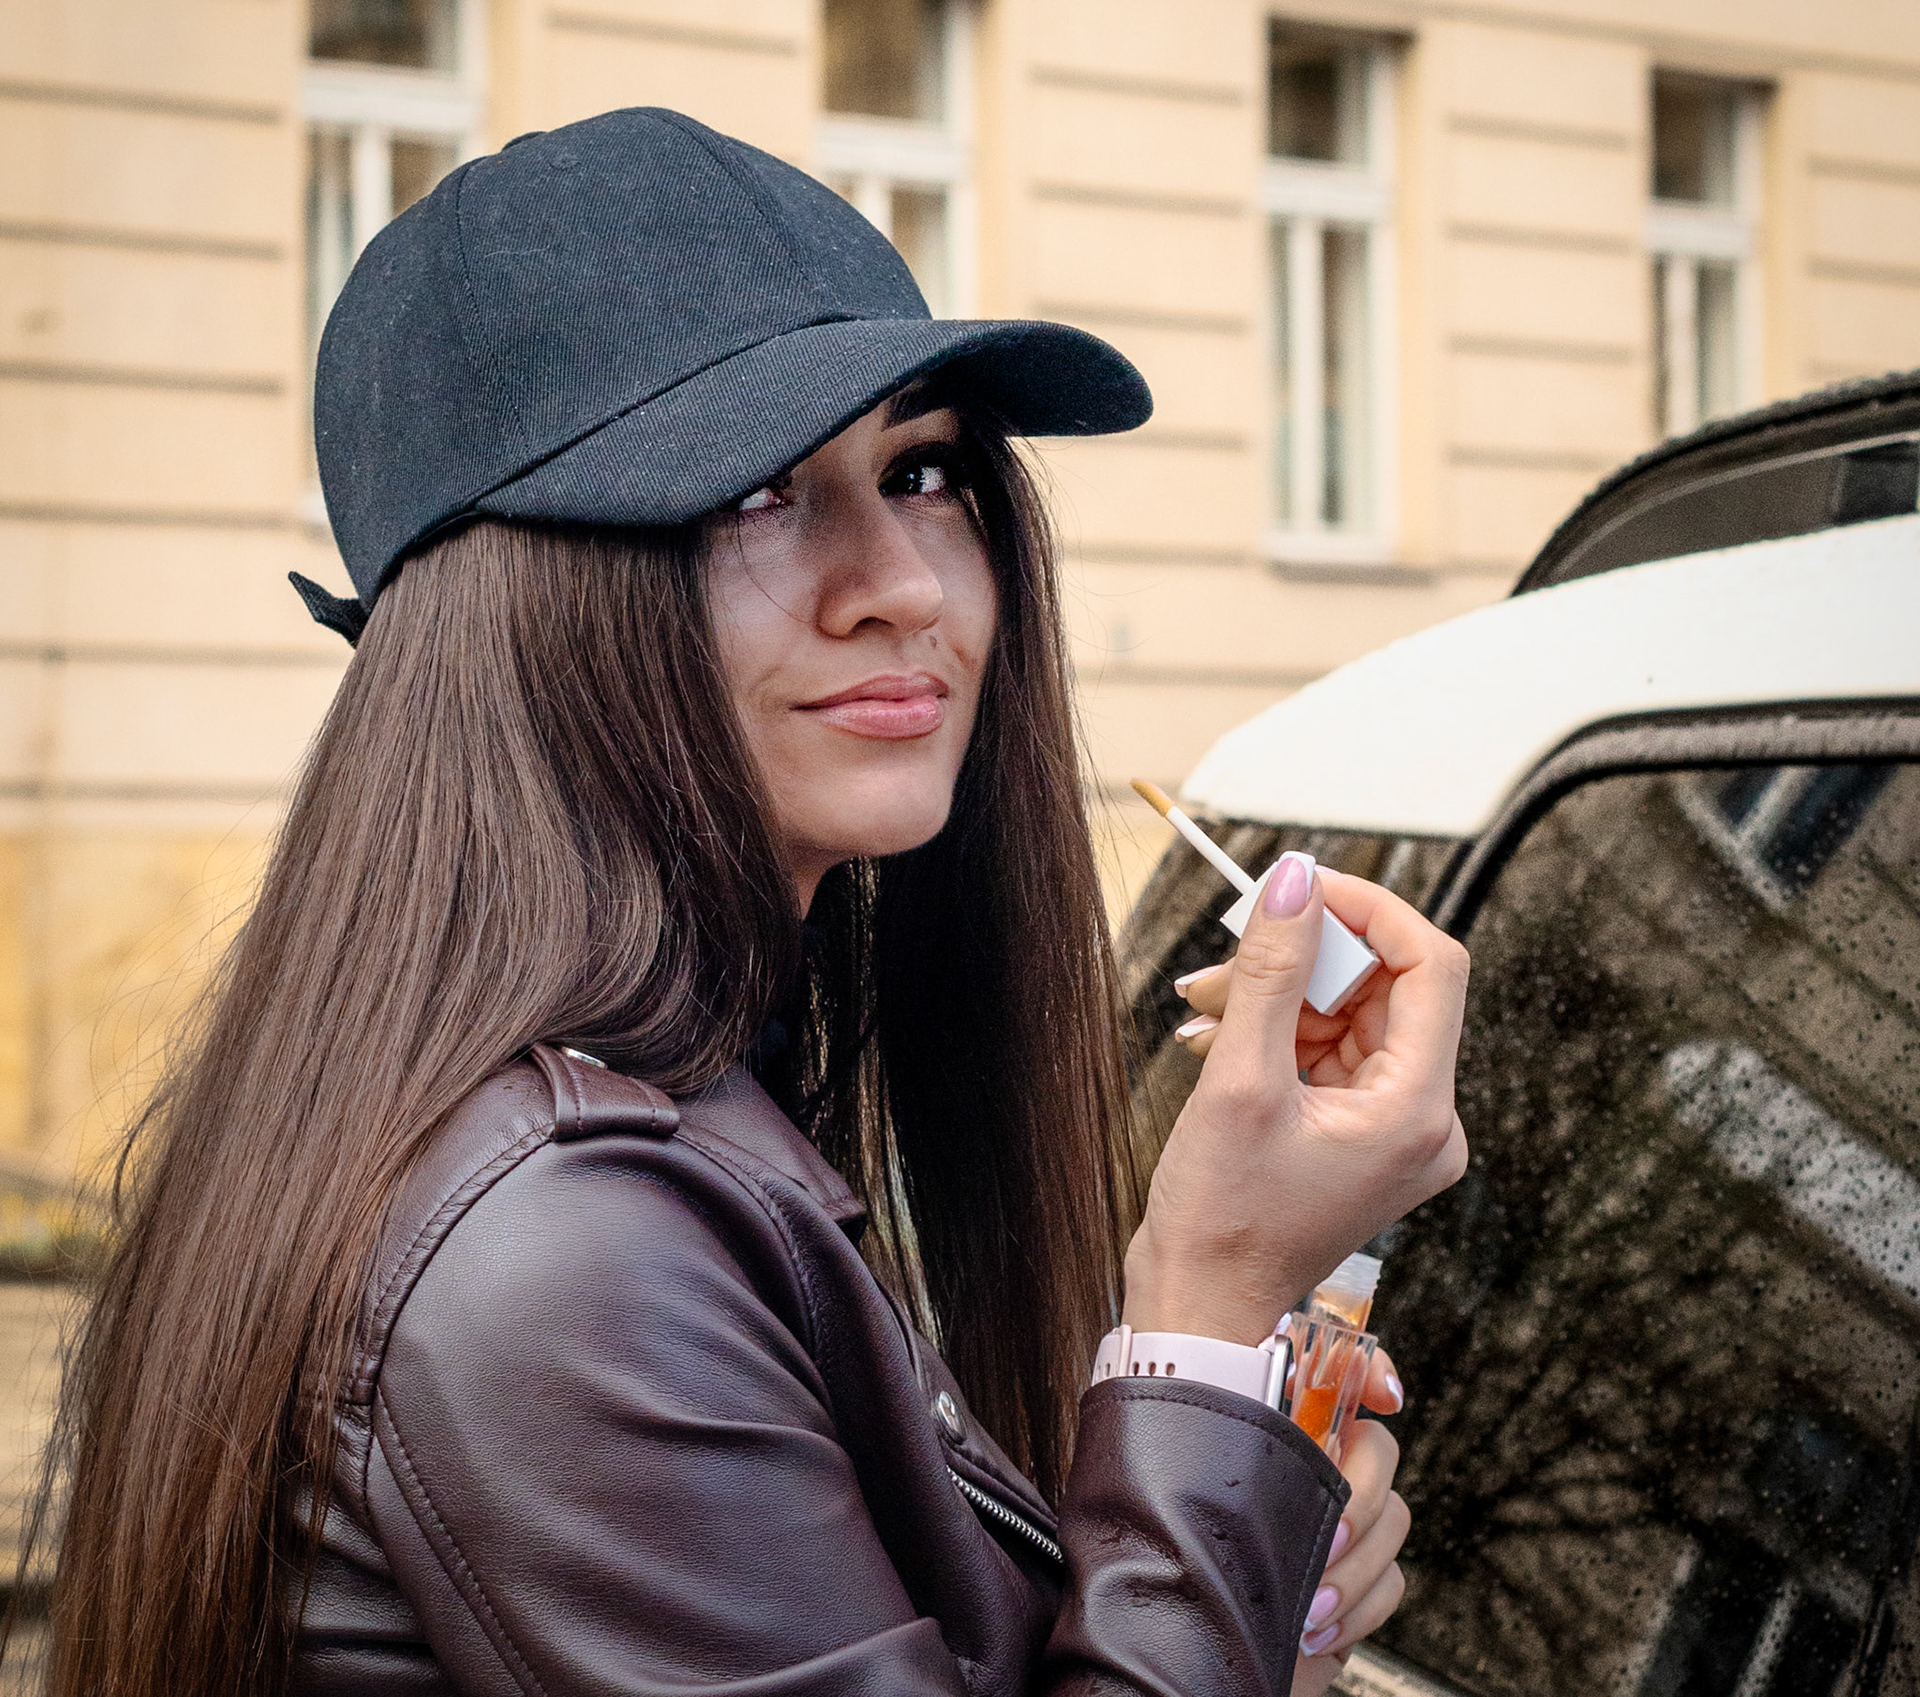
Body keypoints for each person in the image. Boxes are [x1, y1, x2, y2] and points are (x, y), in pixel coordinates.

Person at [26, 108, 1469, 1697]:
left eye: (922, 471)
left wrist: (1247, 1581)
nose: (903, 583)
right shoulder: (561, 1248)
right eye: (757, 494)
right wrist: (1212, 1304)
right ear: (518, 612)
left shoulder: (677, 1115)